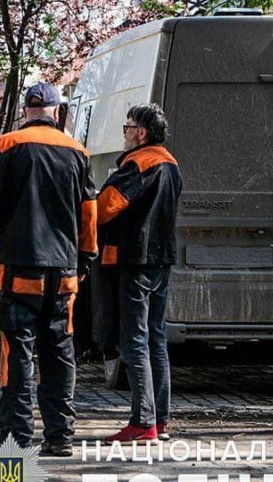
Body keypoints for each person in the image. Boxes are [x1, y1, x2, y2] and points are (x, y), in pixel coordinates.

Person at [0, 82, 97, 457]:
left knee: (17, 355)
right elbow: (89, 217)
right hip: (64, 271)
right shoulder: (78, 152)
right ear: (56, 111)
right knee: (59, 353)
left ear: (26, 110)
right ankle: (60, 436)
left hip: (19, 268)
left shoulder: (8, 145)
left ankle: (17, 439)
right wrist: (84, 260)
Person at [98, 104, 182, 443]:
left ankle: (142, 421)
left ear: (142, 132)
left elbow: (105, 208)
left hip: (135, 259)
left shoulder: (139, 164)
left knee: (133, 339)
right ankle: (159, 419)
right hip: (161, 260)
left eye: (128, 127)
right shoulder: (172, 164)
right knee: (156, 339)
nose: (125, 132)